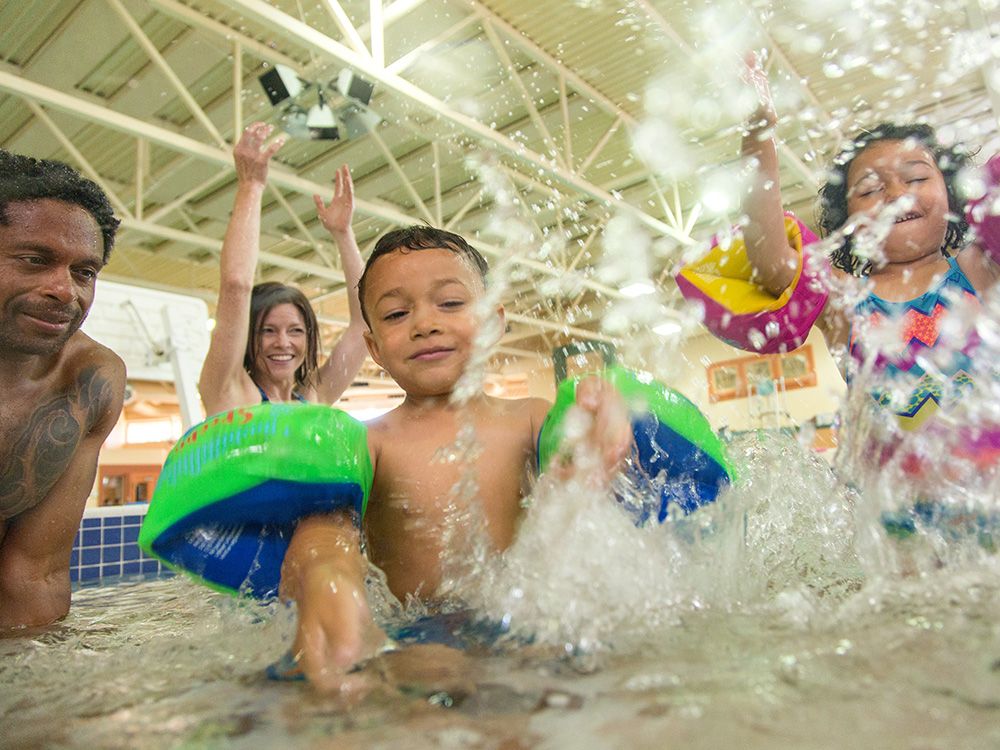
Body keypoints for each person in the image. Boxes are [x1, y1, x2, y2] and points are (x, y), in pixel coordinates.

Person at [278, 226, 633, 690]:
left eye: (450, 303)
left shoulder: (530, 418)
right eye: (397, 313)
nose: (425, 323)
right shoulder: (369, 442)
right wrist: (327, 576)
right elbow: (326, 529)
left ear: (493, 321)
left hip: (525, 625)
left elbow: (582, 474)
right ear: (374, 348)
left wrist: (602, 427)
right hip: (421, 639)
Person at [682, 53, 1000, 433]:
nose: (896, 195)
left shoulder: (977, 269)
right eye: (870, 189)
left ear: (950, 192)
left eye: (915, 179)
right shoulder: (846, 299)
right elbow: (771, 262)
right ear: (848, 221)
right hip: (893, 489)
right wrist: (758, 135)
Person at [0, 150, 126, 632]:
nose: (65, 291)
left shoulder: (90, 379)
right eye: (35, 260)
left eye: (85, 272)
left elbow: (34, 573)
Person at [198, 122, 368, 415]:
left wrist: (344, 234)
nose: (283, 342)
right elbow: (236, 285)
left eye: (296, 330)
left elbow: (364, 324)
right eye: (267, 330)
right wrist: (251, 186)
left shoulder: (316, 396)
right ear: (248, 335)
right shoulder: (231, 391)